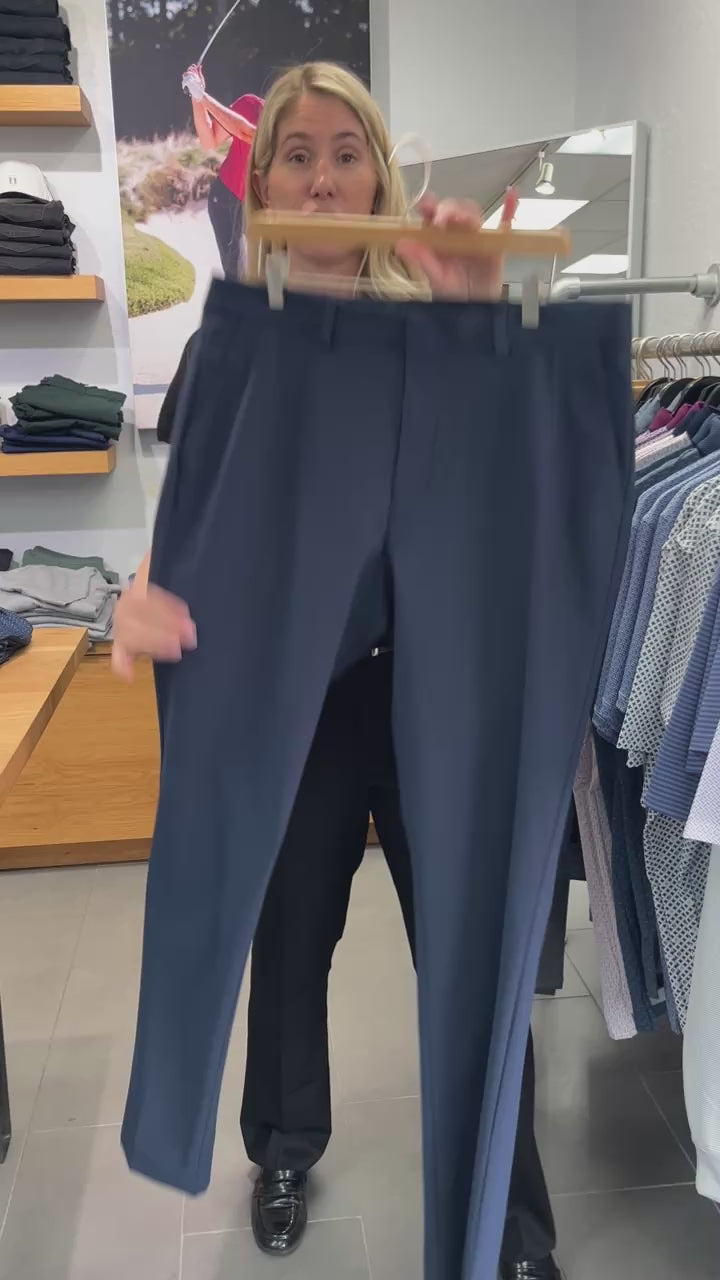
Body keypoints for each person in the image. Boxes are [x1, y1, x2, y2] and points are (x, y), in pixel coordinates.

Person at [115, 61, 561, 1280]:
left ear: (378, 176)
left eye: (346, 153)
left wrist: (480, 325)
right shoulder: (230, 344)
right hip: (293, 699)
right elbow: (196, 515)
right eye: (299, 155)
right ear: (263, 181)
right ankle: (282, 1147)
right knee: (289, 935)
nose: (323, 179)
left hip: (431, 688)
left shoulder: (434, 325)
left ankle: (512, 1217)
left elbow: (508, 499)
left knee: (472, 943)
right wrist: (136, 594)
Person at [182, 61, 263, 279]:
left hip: (260, 207)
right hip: (226, 200)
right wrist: (196, 96)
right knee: (236, 274)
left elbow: (248, 133)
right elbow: (209, 140)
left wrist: (203, 96)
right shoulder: (249, 105)